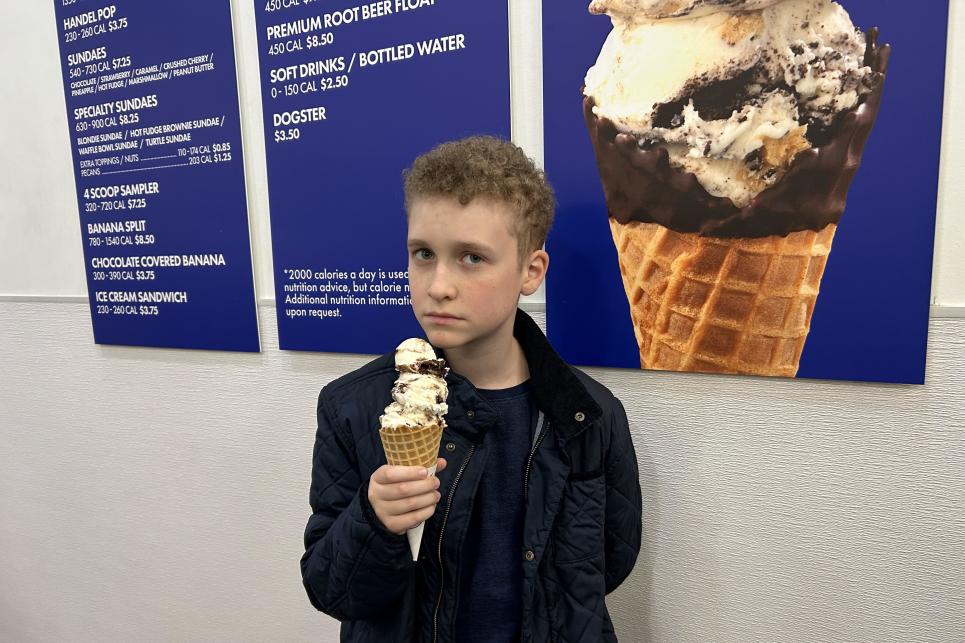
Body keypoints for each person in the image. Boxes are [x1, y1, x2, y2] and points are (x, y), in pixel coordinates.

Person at [300, 136, 642, 642]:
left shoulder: (588, 416)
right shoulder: (354, 407)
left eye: (471, 258)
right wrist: (373, 521)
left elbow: (606, 563)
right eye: (423, 254)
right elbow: (331, 589)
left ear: (531, 271)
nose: (438, 285)